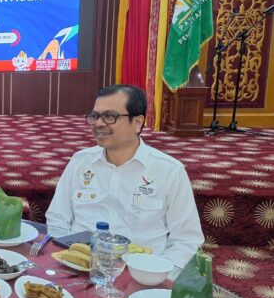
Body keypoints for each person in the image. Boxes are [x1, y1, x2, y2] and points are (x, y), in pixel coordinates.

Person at [45, 84, 203, 268]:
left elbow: (186, 240)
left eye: (110, 116)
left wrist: (157, 275)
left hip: (142, 274)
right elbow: (57, 219)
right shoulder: (80, 162)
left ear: (137, 122)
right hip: (80, 266)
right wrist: (71, 258)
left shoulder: (169, 171)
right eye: (95, 116)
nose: (98, 124)